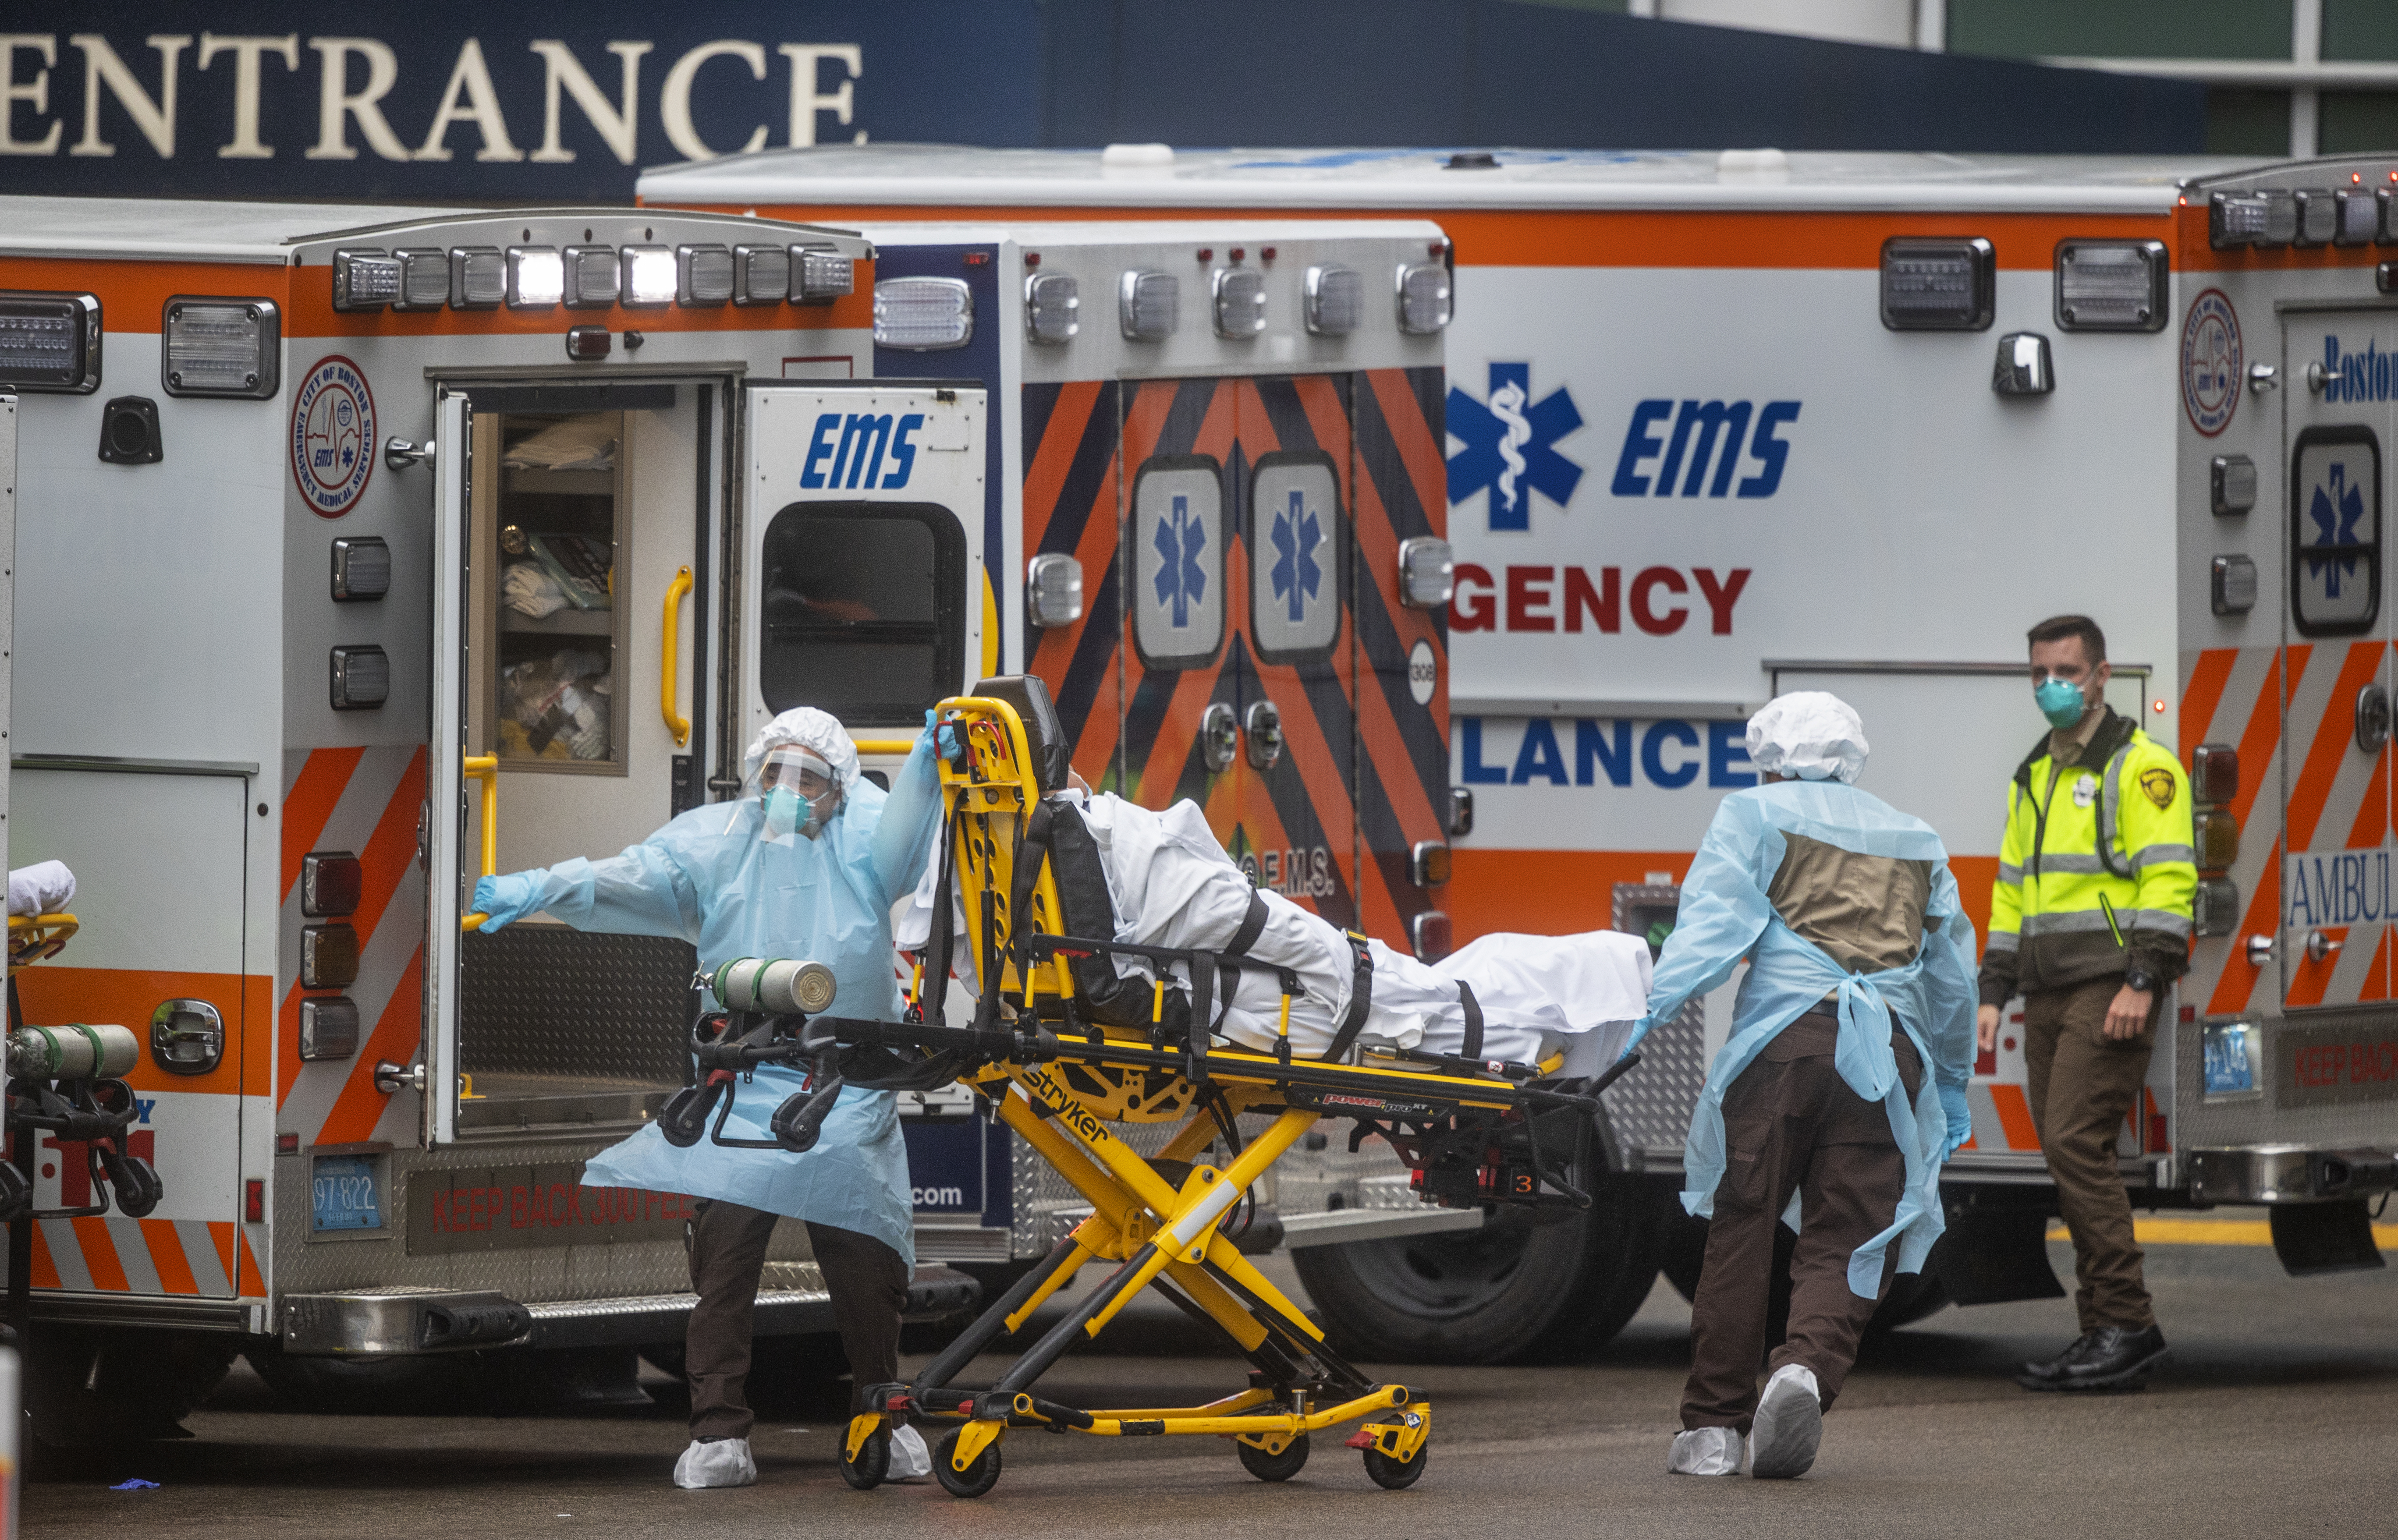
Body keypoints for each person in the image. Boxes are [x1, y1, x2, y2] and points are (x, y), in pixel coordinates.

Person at [471, 707, 942, 1489]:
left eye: (810, 780)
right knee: (725, 1264)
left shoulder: (868, 837)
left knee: (867, 1265)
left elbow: (912, 835)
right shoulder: (719, 841)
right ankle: (719, 1431)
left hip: (844, 1080)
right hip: (747, 1076)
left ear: (841, 787)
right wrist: (543, 887)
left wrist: (928, 761)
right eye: (776, 776)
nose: (790, 794)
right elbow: (630, 878)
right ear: (756, 776)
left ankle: (882, 1417)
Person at [1625, 693, 1975, 1480]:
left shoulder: (1753, 813)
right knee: (1851, 1233)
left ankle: (1714, 1429)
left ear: (1772, 759)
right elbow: (1952, 974)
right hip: (1887, 1057)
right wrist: (1951, 1084)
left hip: (1784, 1046)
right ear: (1852, 758)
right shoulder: (1917, 837)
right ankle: (1804, 1372)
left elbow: (1713, 931)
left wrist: (1648, 1014)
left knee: (1744, 1224)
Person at [898, 773, 1654, 1067]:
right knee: (1454, 990)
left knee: (1463, 979)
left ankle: (1566, 999)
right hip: (1311, 1000)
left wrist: (1342, 971)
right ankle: (1559, 1014)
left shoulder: (1013, 858)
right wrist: (1342, 975)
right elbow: (1241, 916)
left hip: (1245, 994)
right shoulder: (1114, 843)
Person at [1979, 615, 2193, 1393]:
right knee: (2069, 1153)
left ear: (2103, 676)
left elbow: (2171, 881)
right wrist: (1993, 991)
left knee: (2074, 1143)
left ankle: (2126, 1323)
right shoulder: (2034, 773)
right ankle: (2102, 1328)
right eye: (2039, 673)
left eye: (2066, 672)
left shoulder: (2140, 768)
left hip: (2109, 984)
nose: (2051, 687)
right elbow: (2013, 894)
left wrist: (2144, 979)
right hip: (2047, 989)